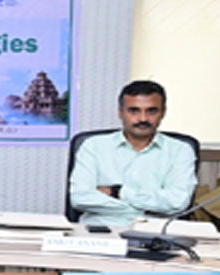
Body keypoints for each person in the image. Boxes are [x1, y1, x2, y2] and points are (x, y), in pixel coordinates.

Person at [68, 80, 197, 227]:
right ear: (120, 112)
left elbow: (178, 202)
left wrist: (117, 192)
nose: (143, 119)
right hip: (99, 231)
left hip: (156, 232)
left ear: (163, 113)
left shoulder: (181, 151)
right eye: (134, 111)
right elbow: (80, 198)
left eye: (152, 111)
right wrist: (147, 209)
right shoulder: (93, 146)